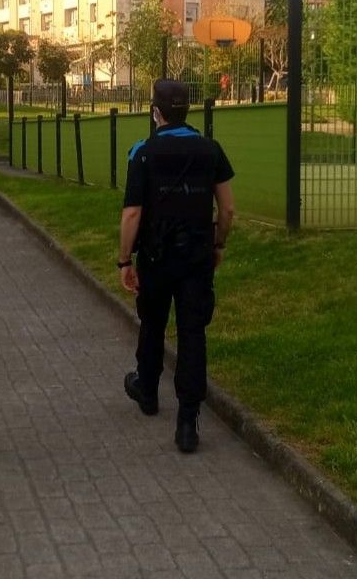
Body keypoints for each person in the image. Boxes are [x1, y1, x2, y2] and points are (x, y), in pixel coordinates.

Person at [119, 79, 235, 453]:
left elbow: (133, 212)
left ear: (156, 112)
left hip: (155, 257)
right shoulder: (211, 150)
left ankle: (147, 390)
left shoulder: (143, 153)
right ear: (188, 110)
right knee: (192, 333)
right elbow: (228, 209)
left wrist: (124, 259)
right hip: (197, 257)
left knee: (152, 324)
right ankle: (188, 422)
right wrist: (218, 244)